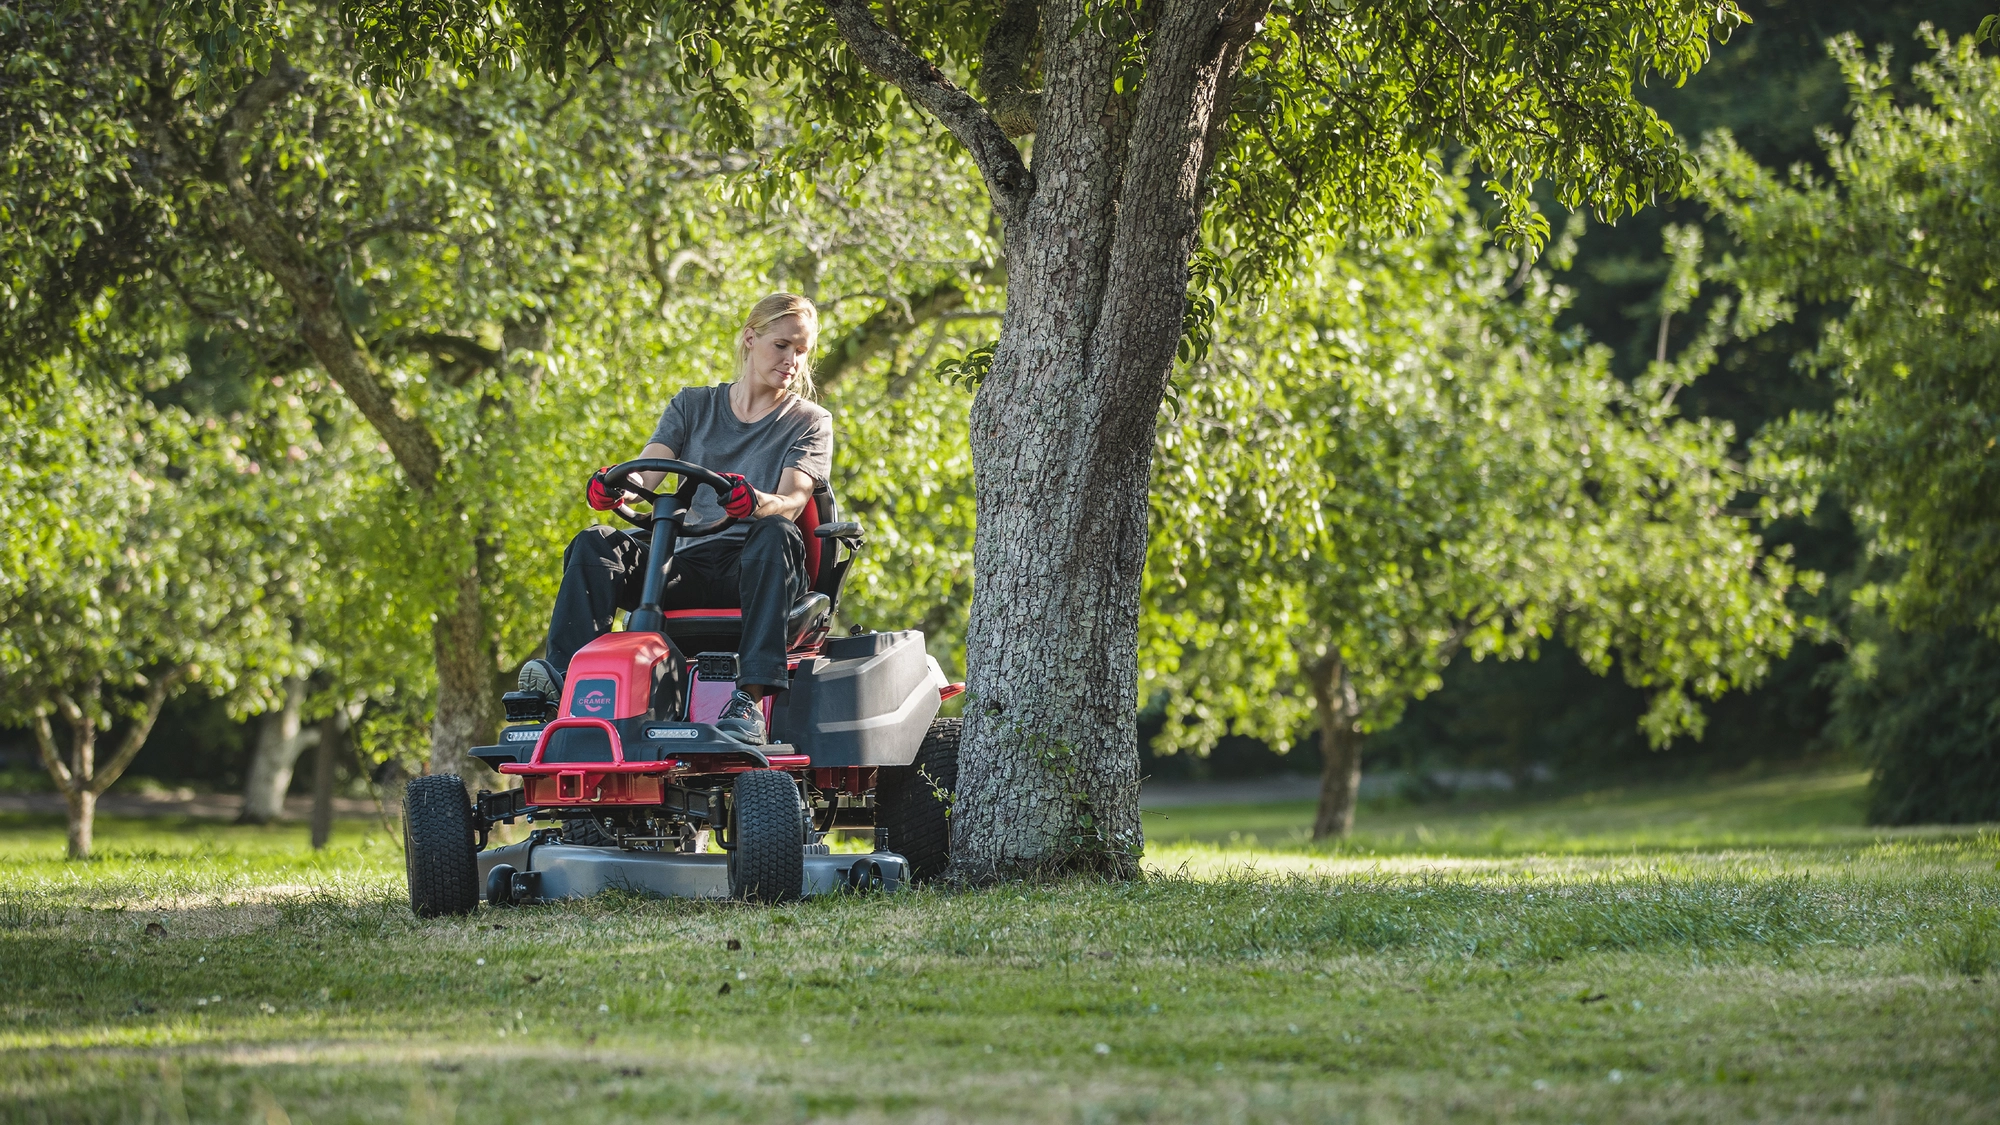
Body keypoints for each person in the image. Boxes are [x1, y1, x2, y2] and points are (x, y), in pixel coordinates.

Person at [517, 293, 833, 746]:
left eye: (801, 352)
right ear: (750, 338)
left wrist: (755, 502)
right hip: (686, 562)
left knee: (773, 530)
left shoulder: (809, 421)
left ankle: (749, 701)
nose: (792, 361)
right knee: (596, 543)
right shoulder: (692, 405)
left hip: (756, 564)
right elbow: (648, 468)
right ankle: (564, 685)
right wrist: (618, 488)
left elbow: (793, 500)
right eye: (782, 345)